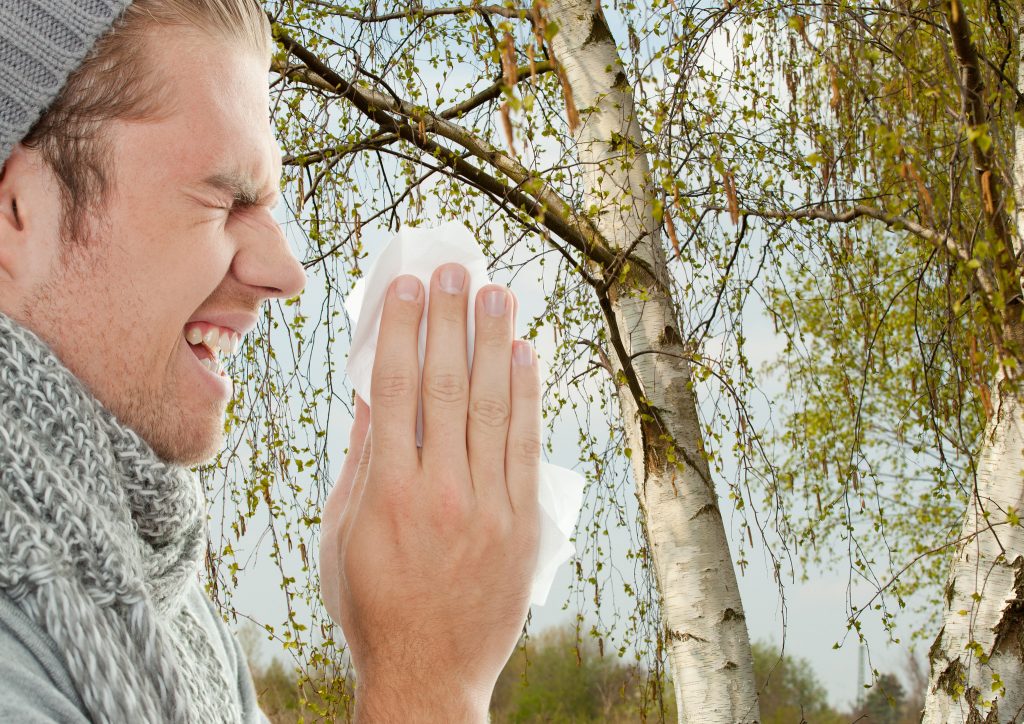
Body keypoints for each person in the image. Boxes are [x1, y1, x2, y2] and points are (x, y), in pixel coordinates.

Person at [0, 1, 541, 721]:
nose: (287, 271)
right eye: (224, 201)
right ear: (14, 212)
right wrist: (427, 679)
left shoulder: (175, 612)